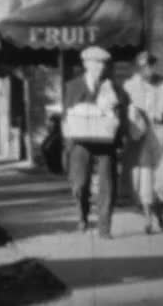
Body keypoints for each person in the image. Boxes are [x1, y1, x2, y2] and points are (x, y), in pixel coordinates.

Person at [121, 51, 163, 234]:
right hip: (140, 140)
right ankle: (148, 219)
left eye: (151, 65)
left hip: (161, 137)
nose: (148, 70)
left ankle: (160, 214)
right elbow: (124, 112)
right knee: (144, 179)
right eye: (143, 66)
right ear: (138, 68)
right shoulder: (130, 87)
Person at [64, 46, 124, 239]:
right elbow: (67, 117)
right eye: (96, 62)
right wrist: (68, 145)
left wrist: (113, 112)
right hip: (80, 142)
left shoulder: (112, 86)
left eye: (103, 63)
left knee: (107, 184)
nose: (100, 66)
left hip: (105, 141)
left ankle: (104, 228)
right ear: (86, 64)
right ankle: (82, 213)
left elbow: (119, 114)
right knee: (79, 184)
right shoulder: (73, 86)